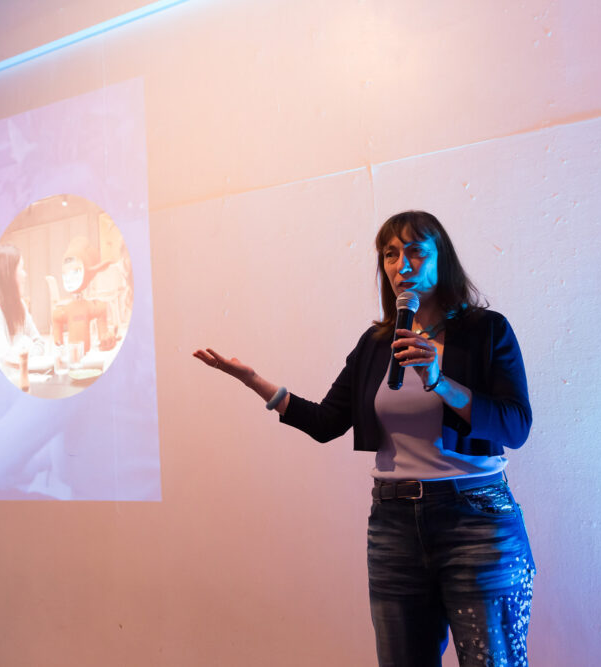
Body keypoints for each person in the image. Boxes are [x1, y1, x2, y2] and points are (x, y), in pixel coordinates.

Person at [194, 210, 535, 666]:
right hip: (394, 527)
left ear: (442, 259)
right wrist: (256, 382)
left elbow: (515, 426)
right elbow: (325, 423)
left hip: (476, 520)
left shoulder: (486, 331)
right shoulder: (377, 343)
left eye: (415, 251)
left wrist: (440, 381)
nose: (401, 265)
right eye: (390, 255)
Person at [0, 244, 46, 374]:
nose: (25, 275)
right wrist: (25, 344)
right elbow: (3, 361)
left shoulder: (20, 305)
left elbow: (40, 343)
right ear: (8, 274)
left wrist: (22, 352)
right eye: (21, 268)